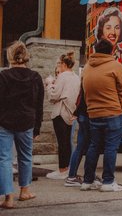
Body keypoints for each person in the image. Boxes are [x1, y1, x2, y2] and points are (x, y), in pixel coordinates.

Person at [0, 41, 44, 208]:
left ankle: (8, 198)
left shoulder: (3, 76)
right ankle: (24, 191)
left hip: (4, 122)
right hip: (27, 122)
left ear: (10, 56)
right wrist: (37, 127)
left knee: (4, 159)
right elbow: (39, 104)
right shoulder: (35, 77)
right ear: (26, 56)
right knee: (25, 157)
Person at [81, 39, 122, 192]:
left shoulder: (87, 67)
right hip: (112, 112)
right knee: (110, 148)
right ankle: (108, 182)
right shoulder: (115, 66)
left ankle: (87, 181)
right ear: (111, 50)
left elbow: (84, 91)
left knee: (93, 146)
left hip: (93, 113)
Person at [45, 52, 80, 180]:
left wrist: (49, 84)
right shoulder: (76, 77)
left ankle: (62, 170)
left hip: (60, 112)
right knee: (67, 141)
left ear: (64, 64)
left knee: (62, 142)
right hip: (71, 113)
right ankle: (67, 168)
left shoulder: (63, 76)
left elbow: (53, 96)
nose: (58, 66)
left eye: (59, 63)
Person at [63, 86, 101, 187]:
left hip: (82, 114)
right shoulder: (95, 76)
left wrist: (76, 113)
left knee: (80, 147)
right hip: (89, 114)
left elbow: (80, 97)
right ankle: (89, 176)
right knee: (91, 146)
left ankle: (72, 176)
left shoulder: (86, 76)